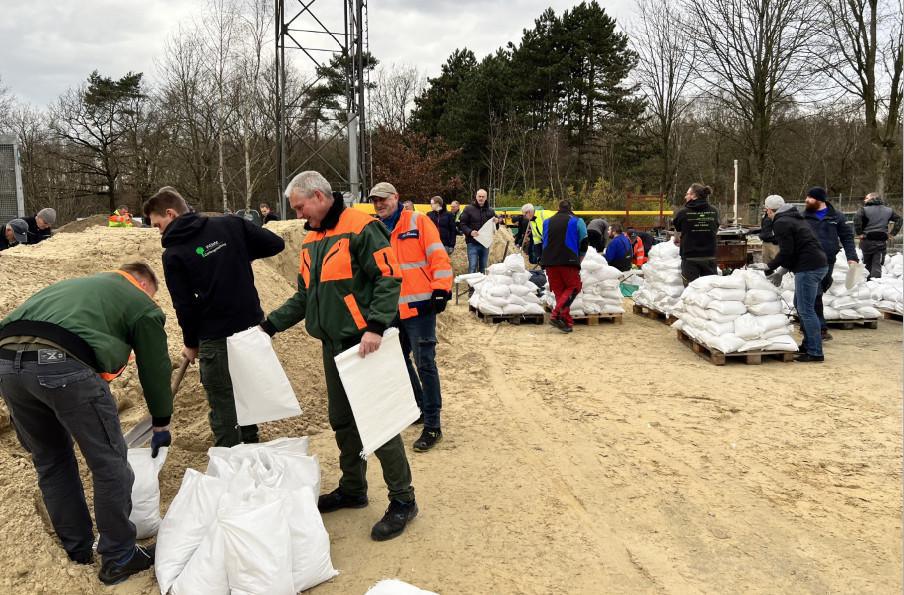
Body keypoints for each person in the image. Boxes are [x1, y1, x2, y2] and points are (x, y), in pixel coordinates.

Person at [260, 171, 418, 541]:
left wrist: (375, 326)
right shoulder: (312, 239)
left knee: (376, 422)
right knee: (342, 421)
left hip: (363, 345)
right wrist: (270, 326)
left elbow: (388, 277)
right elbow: (304, 296)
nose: (299, 215)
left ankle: (403, 499)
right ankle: (353, 488)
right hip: (332, 346)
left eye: (301, 207)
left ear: (318, 196)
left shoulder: (362, 228)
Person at [0, 263, 173, 585]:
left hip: (8, 365)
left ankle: (77, 550)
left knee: (51, 461)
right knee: (109, 463)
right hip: (61, 365)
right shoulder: (140, 301)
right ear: (142, 284)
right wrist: (161, 421)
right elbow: (155, 367)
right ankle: (119, 557)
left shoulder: (73, 286)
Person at [142, 186, 285, 447]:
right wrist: (237, 255)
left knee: (222, 402)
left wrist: (191, 342)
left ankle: (230, 463)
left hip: (214, 337)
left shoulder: (173, 253)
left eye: (158, 224)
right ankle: (250, 450)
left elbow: (183, 305)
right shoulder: (231, 224)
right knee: (246, 393)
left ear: (171, 214)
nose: (158, 231)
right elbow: (275, 244)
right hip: (251, 329)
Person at [371, 182, 452, 452]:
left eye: (383, 199)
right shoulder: (375, 230)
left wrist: (441, 289)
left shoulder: (418, 222)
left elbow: (438, 256)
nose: (379, 204)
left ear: (396, 198)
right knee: (397, 362)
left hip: (420, 307)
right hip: (391, 309)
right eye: (375, 201)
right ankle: (417, 407)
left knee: (425, 363)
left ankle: (432, 425)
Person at [763, 195, 828, 363]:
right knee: (801, 306)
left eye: (766, 211)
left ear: (769, 210)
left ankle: (815, 352)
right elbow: (796, 250)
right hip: (816, 264)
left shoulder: (781, 222)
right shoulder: (794, 218)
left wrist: (770, 267)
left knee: (806, 310)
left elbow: (787, 252)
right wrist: (781, 271)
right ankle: (809, 345)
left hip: (809, 268)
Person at [802, 186, 858, 340]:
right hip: (809, 261)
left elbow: (847, 237)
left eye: (810, 197)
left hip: (829, 260)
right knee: (816, 293)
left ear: (819, 200)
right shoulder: (804, 217)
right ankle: (820, 328)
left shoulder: (836, 217)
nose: (806, 200)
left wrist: (852, 257)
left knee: (821, 289)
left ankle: (808, 323)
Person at [541, 199, 588, 333]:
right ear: (571, 207)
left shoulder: (547, 222)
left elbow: (544, 241)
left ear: (558, 208)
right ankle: (555, 315)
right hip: (568, 260)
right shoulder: (577, 221)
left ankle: (566, 322)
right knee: (574, 287)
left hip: (549, 261)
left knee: (560, 292)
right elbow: (584, 242)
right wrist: (579, 259)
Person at [672, 183, 720, 285]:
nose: (685, 197)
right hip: (709, 257)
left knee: (690, 290)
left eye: (687, 194)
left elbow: (678, 228)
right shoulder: (714, 211)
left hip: (690, 258)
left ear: (694, 195)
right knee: (710, 290)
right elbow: (716, 227)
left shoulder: (683, 213)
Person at [854, 192, 903, 279]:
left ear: (872, 199)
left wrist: (859, 233)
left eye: (866, 198)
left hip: (866, 241)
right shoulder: (889, 210)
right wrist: (892, 233)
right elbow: (899, 219)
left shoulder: (863, 210)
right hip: (881, 242)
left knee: (865, 263)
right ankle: (875, 284)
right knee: (877, 264)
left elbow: (856, 219)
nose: (864, 200)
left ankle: (865, 283)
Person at [458, 189, 498, 274]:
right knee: (473, 266)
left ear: (486, 198)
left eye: (483, 197)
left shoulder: (490, 210)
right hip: (472, 243)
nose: (481, 198)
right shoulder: (468, 209)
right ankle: (471, 287)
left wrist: (497, 222)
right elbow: (462, 224)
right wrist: (470, 232)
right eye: (479, 196)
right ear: (476, 197)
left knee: (483, 267)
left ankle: (481, 287)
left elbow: (495, 227)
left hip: (485, 244)